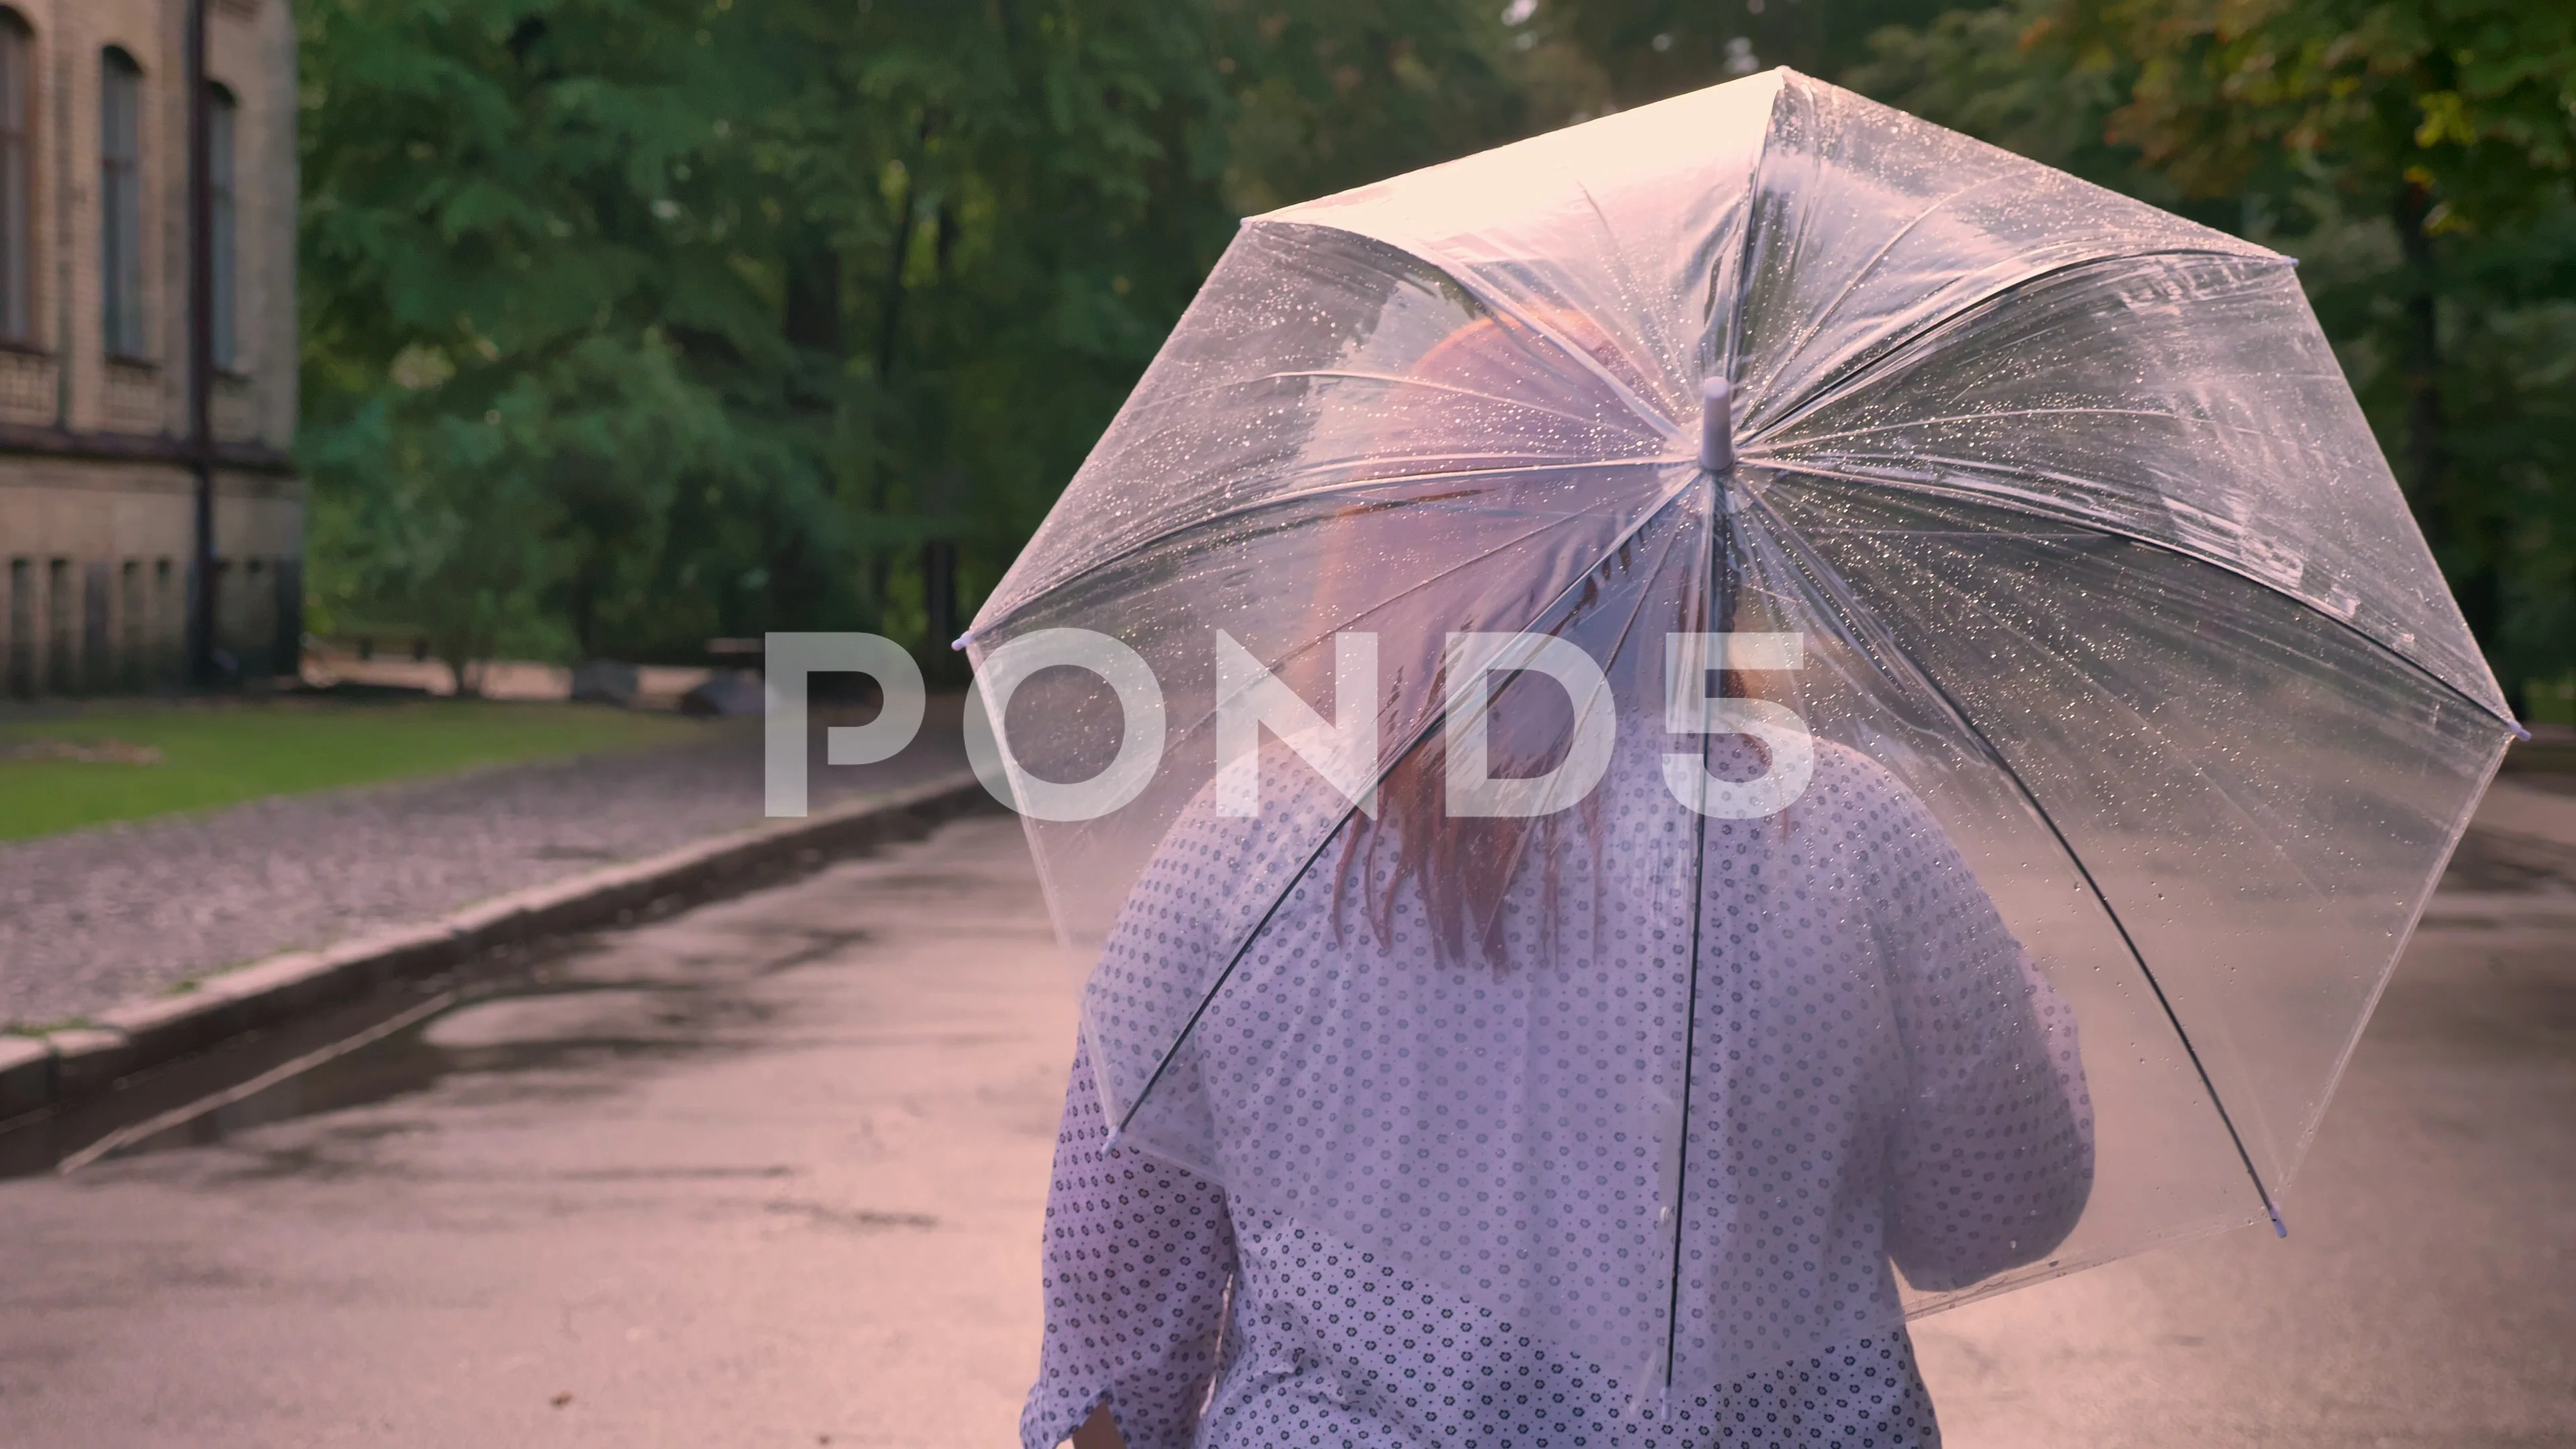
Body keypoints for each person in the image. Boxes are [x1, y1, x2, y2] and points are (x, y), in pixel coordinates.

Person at [1020, 305, 2094, 1449]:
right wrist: (2018, 1014)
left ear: (1390, 542)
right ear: (1682, 535)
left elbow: (1114, 1352)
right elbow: (1996, 1213)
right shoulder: (1843, 834)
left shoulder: (1241, 850)